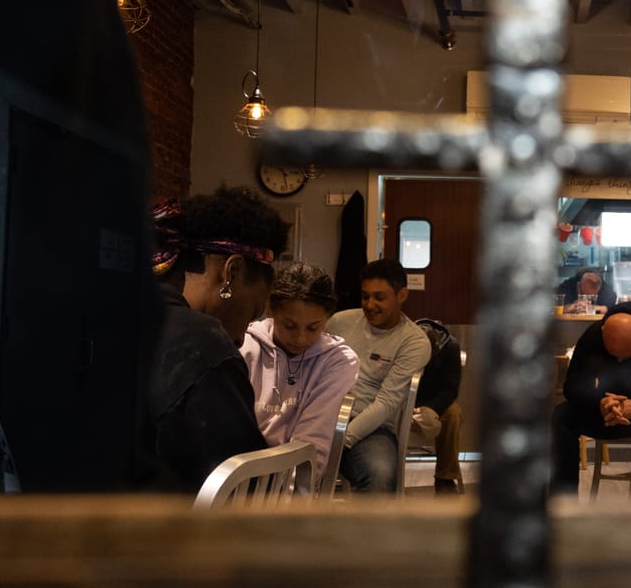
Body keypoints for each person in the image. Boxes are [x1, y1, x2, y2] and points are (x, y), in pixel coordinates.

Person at [138, 188, 284, 493]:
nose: (243, 336)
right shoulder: (201, 341)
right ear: (233, 272)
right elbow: (243, 488)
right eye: (252, 313)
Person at [240, 262, 359, 485]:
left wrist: (289, 508)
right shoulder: (245, 346)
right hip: (238, 472)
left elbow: (313, 443)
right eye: (289, 325)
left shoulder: (339, 361)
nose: (300, 339)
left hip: (290, 481)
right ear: (270, 309)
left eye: (313, 328)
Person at [550, 302, 631, 495]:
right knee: (561, 417)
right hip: (604, 411)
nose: (619, 361)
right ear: (602, 332)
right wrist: (599, 403)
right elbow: (572, 387)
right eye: (613, 355)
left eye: (625, 356)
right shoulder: (592, 336)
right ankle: (564, 500)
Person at [327, 258, 431, 493]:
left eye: (379, 297)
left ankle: (367, 531)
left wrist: (341, 440)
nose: (370, 304)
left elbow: (386, 403)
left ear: (402, 295)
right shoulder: (339, 322)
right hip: (323, 417)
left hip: (371, 429)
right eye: (365, 296)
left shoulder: (414, 342)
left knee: (380, 475)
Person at [411, 318, 465, 495]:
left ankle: (445, 478)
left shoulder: (450, 347)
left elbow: (450, 389)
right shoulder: (404, 340)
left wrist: (431, 409)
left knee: (454, 414)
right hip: (404, 400)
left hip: (436, 401)